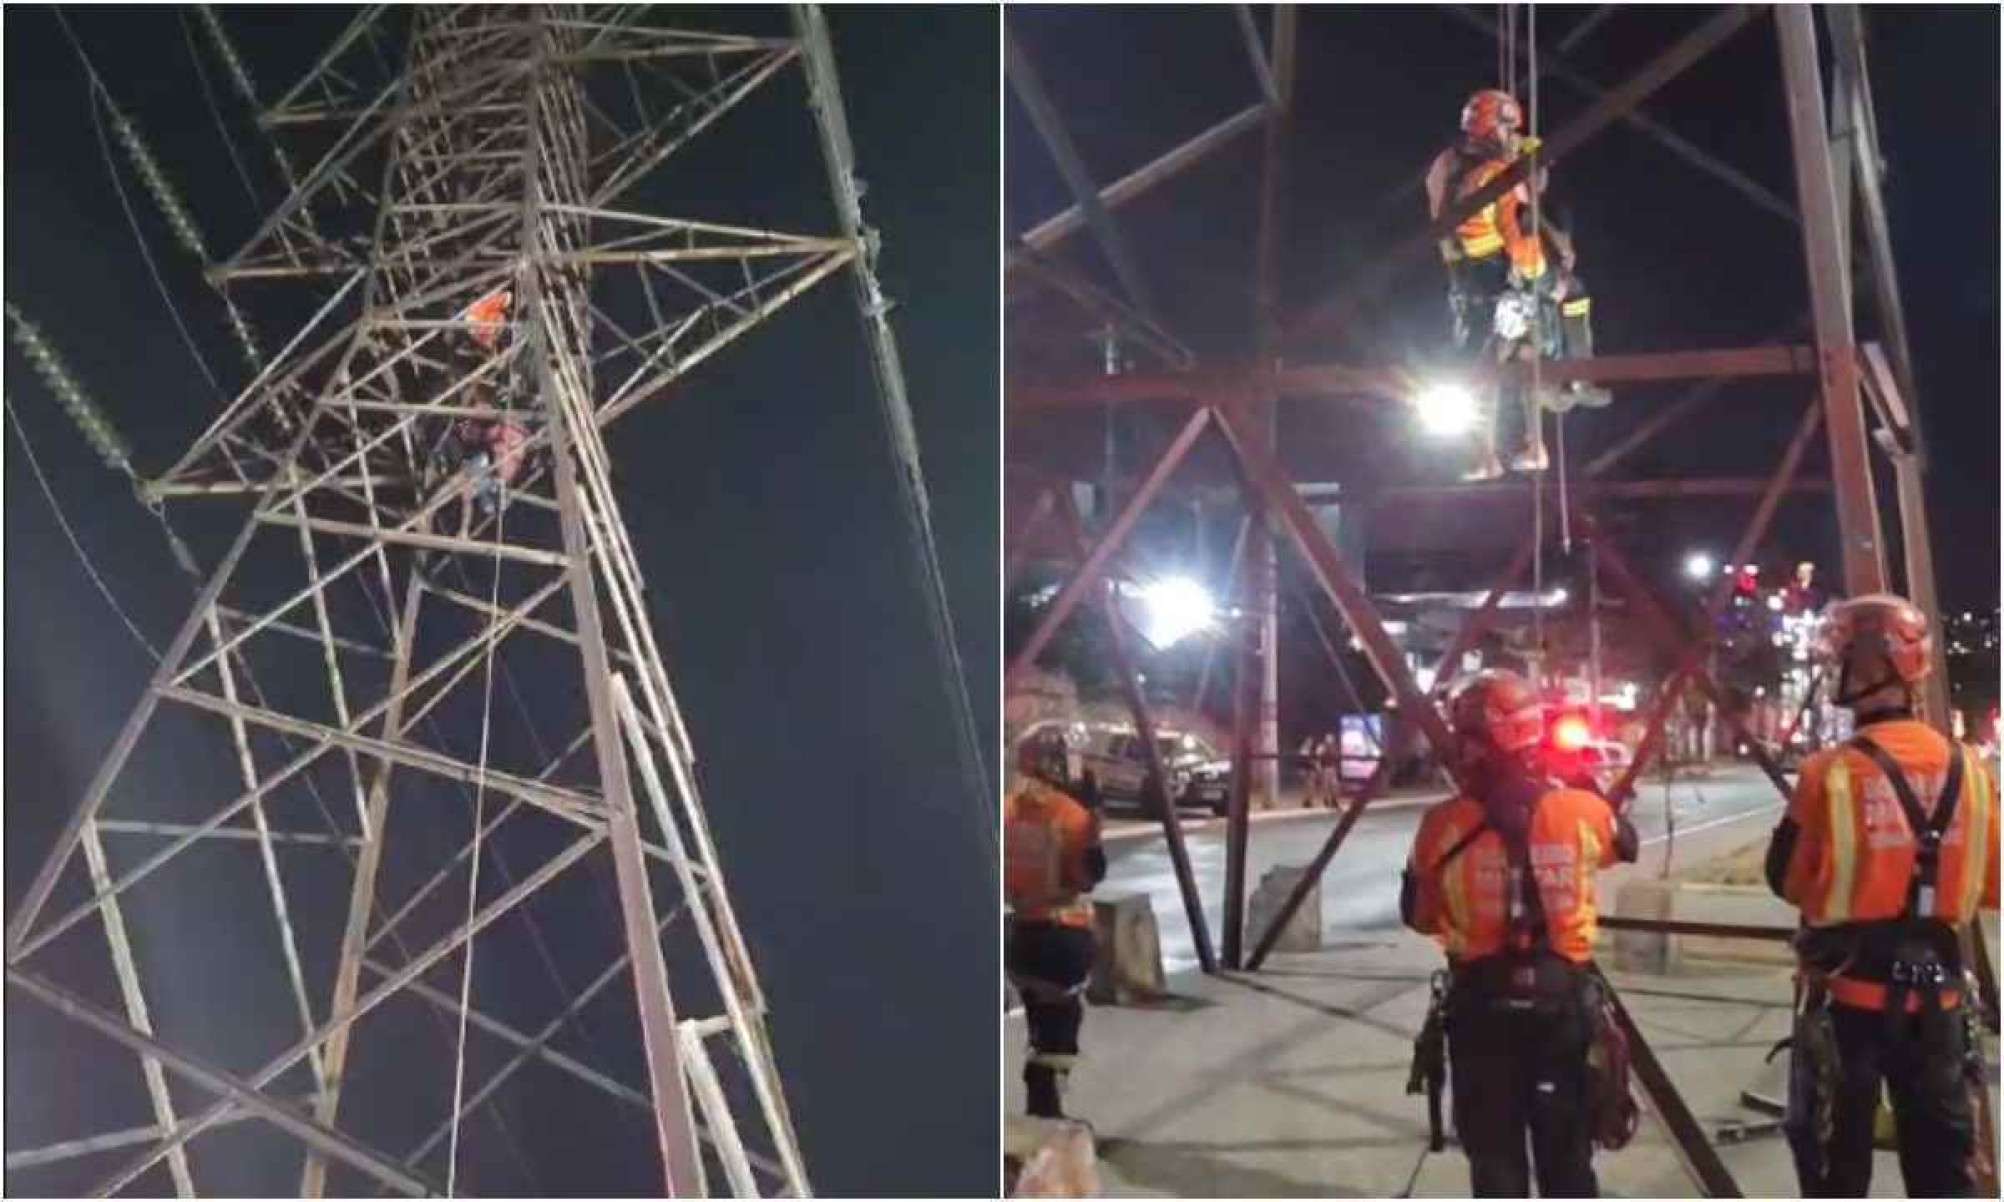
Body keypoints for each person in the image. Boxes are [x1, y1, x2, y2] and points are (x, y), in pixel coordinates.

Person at [1764, 594, 1999, 1197]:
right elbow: (1996, 884)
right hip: (1938, 1003)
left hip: (1848, 1003)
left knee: (1835, 1167)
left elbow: (1784, 876)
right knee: (1944, 1168)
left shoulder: (1830, 772)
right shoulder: (1969, 769)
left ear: (1854, 666)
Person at [1401, 670, 1639, 1196]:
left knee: (1495, 1162)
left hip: (1479, 1008)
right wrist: (1577, 785)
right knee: (1567, 1156)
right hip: (1561, 1006)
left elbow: (1419, 916)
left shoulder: (1441, 825)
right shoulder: (1580, 810)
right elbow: (1624, 843)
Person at [1425, 89, 1610, 481]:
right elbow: (1520, 225)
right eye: (1509, 127)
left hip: (1464, 277)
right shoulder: (1497, 174)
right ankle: (1581, 378)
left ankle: (1486, 455)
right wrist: (1543, 279)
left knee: (1486, 362)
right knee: (1566, 301)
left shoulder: (1445, 164)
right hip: (1503, 269)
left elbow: (1442, 224)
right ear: (1498, 125)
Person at [1006, 729, 1106, 1120]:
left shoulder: (1006, 810)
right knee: (1061, 1029)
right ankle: (1046, 1115)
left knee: (1038, 1021)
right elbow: (1086, 877)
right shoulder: (1070, 814)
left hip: (1019, 937)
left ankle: (1040, 1105)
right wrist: (1093, 826)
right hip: (1060, 935)